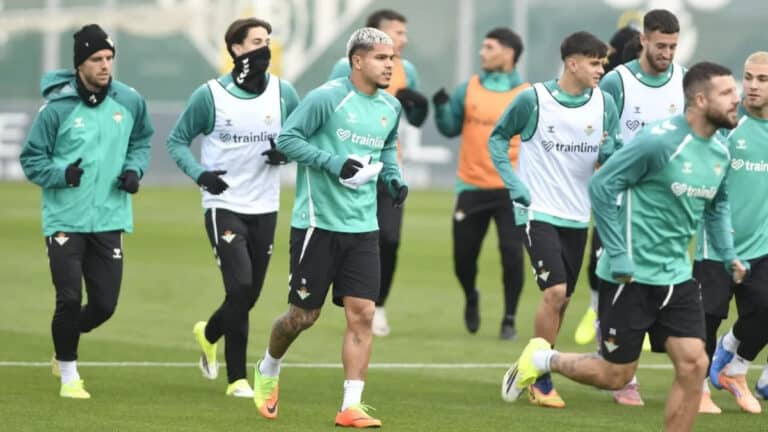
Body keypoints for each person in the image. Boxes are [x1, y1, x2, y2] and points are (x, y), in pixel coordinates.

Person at [503, 62, 745, 432]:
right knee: (615, 375)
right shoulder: (658, 141)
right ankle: (543, 358)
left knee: (694, 364)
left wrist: (728, 254)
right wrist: (617, 252)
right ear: (700, 99)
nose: (737, 99)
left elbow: (718, 206)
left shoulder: (721, 153)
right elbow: (601, 186)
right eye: (727, 93)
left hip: (677, 277)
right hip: (630, 277)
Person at [251, 27, 407, 428]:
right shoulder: (327, 98)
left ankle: (350, 405)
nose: (389, 65)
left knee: (363, 314)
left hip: (362, 227)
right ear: (358, 61)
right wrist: (334, 163)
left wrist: (392, 177)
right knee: (302, 316)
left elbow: (386, 147)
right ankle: (269, 368)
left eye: (392, 58)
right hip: (317, 225)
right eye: (380, 58)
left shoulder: (391, 107)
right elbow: (287, 139)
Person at [166, 17, 299, 398]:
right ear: (236, 48)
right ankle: (237, 378)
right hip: (222, 203)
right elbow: (176, 141)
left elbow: (301, 135)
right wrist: (200, 174)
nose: (265, 48)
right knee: (239, 287)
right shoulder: (209, 95)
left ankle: (208, 333)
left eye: (268, 41)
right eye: (257, 41)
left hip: (266, 205)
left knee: (250, 293)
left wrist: (284, 152)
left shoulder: (283, 92)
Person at [19, 24, 153, 399]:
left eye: (109, 58)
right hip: (65, 219)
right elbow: (31, 159)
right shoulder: (57, 109)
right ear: (80, 64)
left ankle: (62, 343)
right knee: (68, 298)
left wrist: (134, 170)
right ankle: (68, 374)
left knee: (105, 305)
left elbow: (142, 139)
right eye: (97, 59)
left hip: (110, 218)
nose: (105, 66)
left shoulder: (129, 101)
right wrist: (62, 174)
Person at [489, 31, 621, 408]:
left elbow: (608, 159)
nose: (601, 69)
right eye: (595, 63)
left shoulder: (604, 103)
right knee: (555, 292)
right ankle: (542, 378)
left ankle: (529, 365)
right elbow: (498, 139)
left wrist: (612, 154)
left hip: (579, 216)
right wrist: (513, 182)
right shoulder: (534, 99)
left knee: (562, 302)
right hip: (537, 210)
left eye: (602, 63)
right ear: (573, 62)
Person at [577, 9, 686, 406]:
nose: (667, 53)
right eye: (661, 46)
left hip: (670, 204)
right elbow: (602, 135)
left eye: (673, 46)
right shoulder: (616, 81)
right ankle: (622, 373)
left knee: (667, 282)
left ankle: (694, 375)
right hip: (623, 201)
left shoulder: (684, 80)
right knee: (622, 281)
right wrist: (626, 156)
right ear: (643, 40)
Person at [328, 9, 427, 337]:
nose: (404, 39)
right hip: (351, 170)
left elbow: (406, 118)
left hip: (386, 169)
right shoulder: (344, 68)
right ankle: (346, 294)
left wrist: (418, 107)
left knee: (390, 239)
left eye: (404, 33)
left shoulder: (406, 70)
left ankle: (378, 304)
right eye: (397, 32)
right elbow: (335, 111)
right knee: (348, 239)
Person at [432, 27, 528, 340]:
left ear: (509, 53)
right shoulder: (468, 88)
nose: (481, 52)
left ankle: (509, 319)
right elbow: (449, 129)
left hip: (511, 189)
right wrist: (440, 108)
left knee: (512, 255)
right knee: (463, 258)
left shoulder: (527, 94)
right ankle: (471, 295)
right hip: (471, 187)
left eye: (489, 47)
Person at [693, 52, 768, 415]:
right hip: (716, 246)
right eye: (749, 77)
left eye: (762, 80)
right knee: (706, 317)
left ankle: (735, 369)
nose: (752, 86)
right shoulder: (727, 125)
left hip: (762, 246)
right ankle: (697, 388)